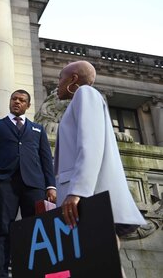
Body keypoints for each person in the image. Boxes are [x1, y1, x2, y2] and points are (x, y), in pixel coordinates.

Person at [54, 61, 146, 276]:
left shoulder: (86, 94)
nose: (57, 84)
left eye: (60, 78)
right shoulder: (80, 100)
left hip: (89, 195)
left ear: (73, 79)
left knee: (101, 260)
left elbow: (91, 143)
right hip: (87, 195)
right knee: (100, 261)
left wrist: (77, 190)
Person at [0, 89, 56, 278]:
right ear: (10, 101)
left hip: (34, 185)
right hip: (5, 183)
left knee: (35, 229)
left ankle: (33, 272)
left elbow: (46, 159)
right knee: (3, 229)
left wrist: (51, 186)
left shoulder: (38, 129)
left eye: (22, 100)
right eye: (14, 99)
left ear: (28, 106)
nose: (17, 102)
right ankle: (0, 274)